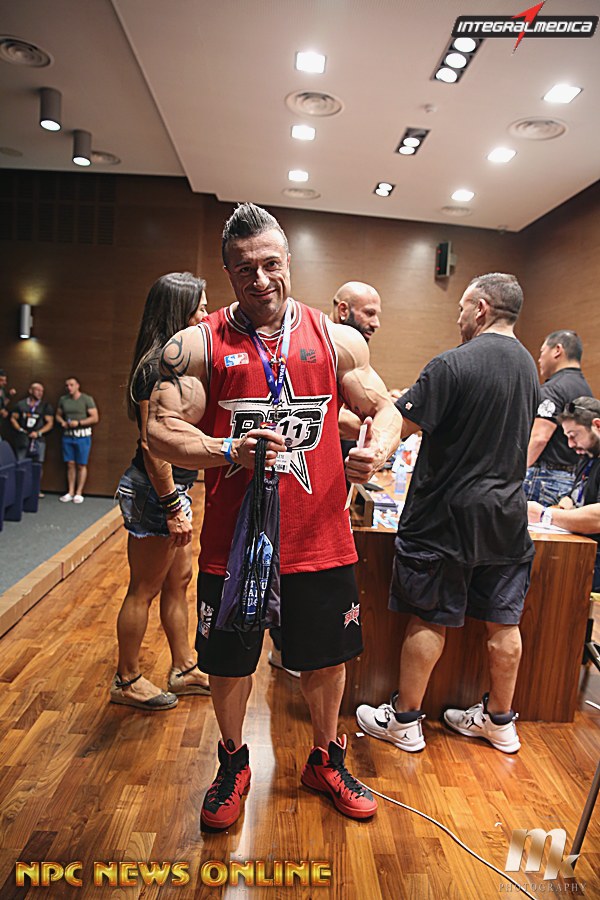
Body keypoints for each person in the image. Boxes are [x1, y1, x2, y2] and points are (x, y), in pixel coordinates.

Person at [148, 203, 401, 827]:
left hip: (320, 537)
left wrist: (375, 450)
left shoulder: (336, 338)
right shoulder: (199, 344)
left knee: (326, 658)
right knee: (230, 662)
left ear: (288, 261)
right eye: (244, 269)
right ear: (228, 274)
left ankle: (325, 759)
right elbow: (158, 427)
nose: (259, 279)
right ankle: (233, 763)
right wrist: (225, 449)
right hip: (233, 544)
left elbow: (386, 408)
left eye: (269, 264)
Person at [356, 273, 539, 755]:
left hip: (445, 518)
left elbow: (401, 423)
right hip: (506, 518)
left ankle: (405, 721)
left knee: (429, 619)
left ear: (481, 308)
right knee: (504, 623)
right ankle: (500, 722)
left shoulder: (452, 363)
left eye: (461, 308)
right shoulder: (529, 368)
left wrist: (370, 453)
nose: (458, 318)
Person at [111, 272, 211, 711]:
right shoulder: (155, 368)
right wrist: (173, 505)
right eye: (200, 308)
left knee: (179, 581)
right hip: (156, 491)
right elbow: (154, 446)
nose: (206, 315)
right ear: (179, 312)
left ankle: (184, 667)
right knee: (144, 589)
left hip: (174, 490)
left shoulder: (175, 363)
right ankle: (127, 679)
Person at [528, 396, 600, 592]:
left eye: (574, 435)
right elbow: (573, 497)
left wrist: (545, 515)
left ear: (597, 425)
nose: (570, 444)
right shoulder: (588, 458)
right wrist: (564, 505)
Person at [523, 330, 591, 505]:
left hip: (545, 480)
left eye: (542, 352)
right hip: (574, 480)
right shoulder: (586, 390)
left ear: (557, 350)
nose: (539, 359)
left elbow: (539, 437)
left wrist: (516, 473)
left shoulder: (554, 389)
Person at [56, 377, 99, 503]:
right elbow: (58, 415)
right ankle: (70, 491)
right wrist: (62, 422)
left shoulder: (86, 399)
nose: (69, 387)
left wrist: (79, 423)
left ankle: (79, 492)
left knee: (81, 464)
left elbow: (95, 417)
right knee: (70, 464)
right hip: (67, 436)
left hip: (83, 436)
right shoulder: (63, 400)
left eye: (71, 385)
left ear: (77, 386)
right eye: (67, 385)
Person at [10, 383, 54, 492]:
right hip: (23, 439)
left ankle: (35, 490)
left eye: (42, 391)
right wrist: (20, 429)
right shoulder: (20, 404)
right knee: (20, 463)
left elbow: (50, 423)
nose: (40, 393)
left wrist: (39, 433)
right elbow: (13, 418)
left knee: (37, 465)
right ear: (30, 391)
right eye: (37, 390)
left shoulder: (45, 406)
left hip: (38, 439)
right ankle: (20, 489)